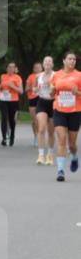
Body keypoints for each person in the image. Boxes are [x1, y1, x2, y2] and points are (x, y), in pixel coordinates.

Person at [51, 51, 81, 182]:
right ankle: (60, 170)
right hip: (59, 110)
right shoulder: (56, 75)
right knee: (61, 139)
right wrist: (52, 91)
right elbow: (52, 93)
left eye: (74, 60)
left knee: (72, 144)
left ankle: (74, 156)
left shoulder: (79, 75)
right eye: (70, 59)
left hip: (75, 111)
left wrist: (78, 92)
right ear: (64, 61)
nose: (72, 61)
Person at [35, 56, 56, 165]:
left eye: (49, 61)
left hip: (53, 103)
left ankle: (50, 155)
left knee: (51, 131)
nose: (47, 62)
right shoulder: (38, 76)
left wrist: (50, 85)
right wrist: (36, 89)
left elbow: (59, 88)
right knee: (41, 127)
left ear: (52, 64)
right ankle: (41, 155)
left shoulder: (56, 75)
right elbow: (34, 89)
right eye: (45, 61)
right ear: (43, 64)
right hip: (42, 102)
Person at [0, 62, 23, 147]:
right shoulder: (3, 76)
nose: (11, 69)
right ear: (6, 68)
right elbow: (1, 87)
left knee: (12, 119)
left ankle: (12, 136)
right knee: (4, 118)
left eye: (13, 67)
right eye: (9, 67)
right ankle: (4, 138)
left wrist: (12, 86)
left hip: (13, 100)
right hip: (3, 99)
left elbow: (21, 91)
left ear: (15, 69)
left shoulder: (17, 77)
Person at [26, 62, 42, 146]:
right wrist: (31, 86)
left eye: (39, 67)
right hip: (32, 98)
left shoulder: (44, 76)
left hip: (41, 98)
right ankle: (36, 136)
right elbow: (26, 89)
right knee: (34, 120)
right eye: (36, 67)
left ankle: (39, 136)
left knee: (40, 120)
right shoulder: (30, 77)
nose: (37, 69)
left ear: (41, 68)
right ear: (33, 69)